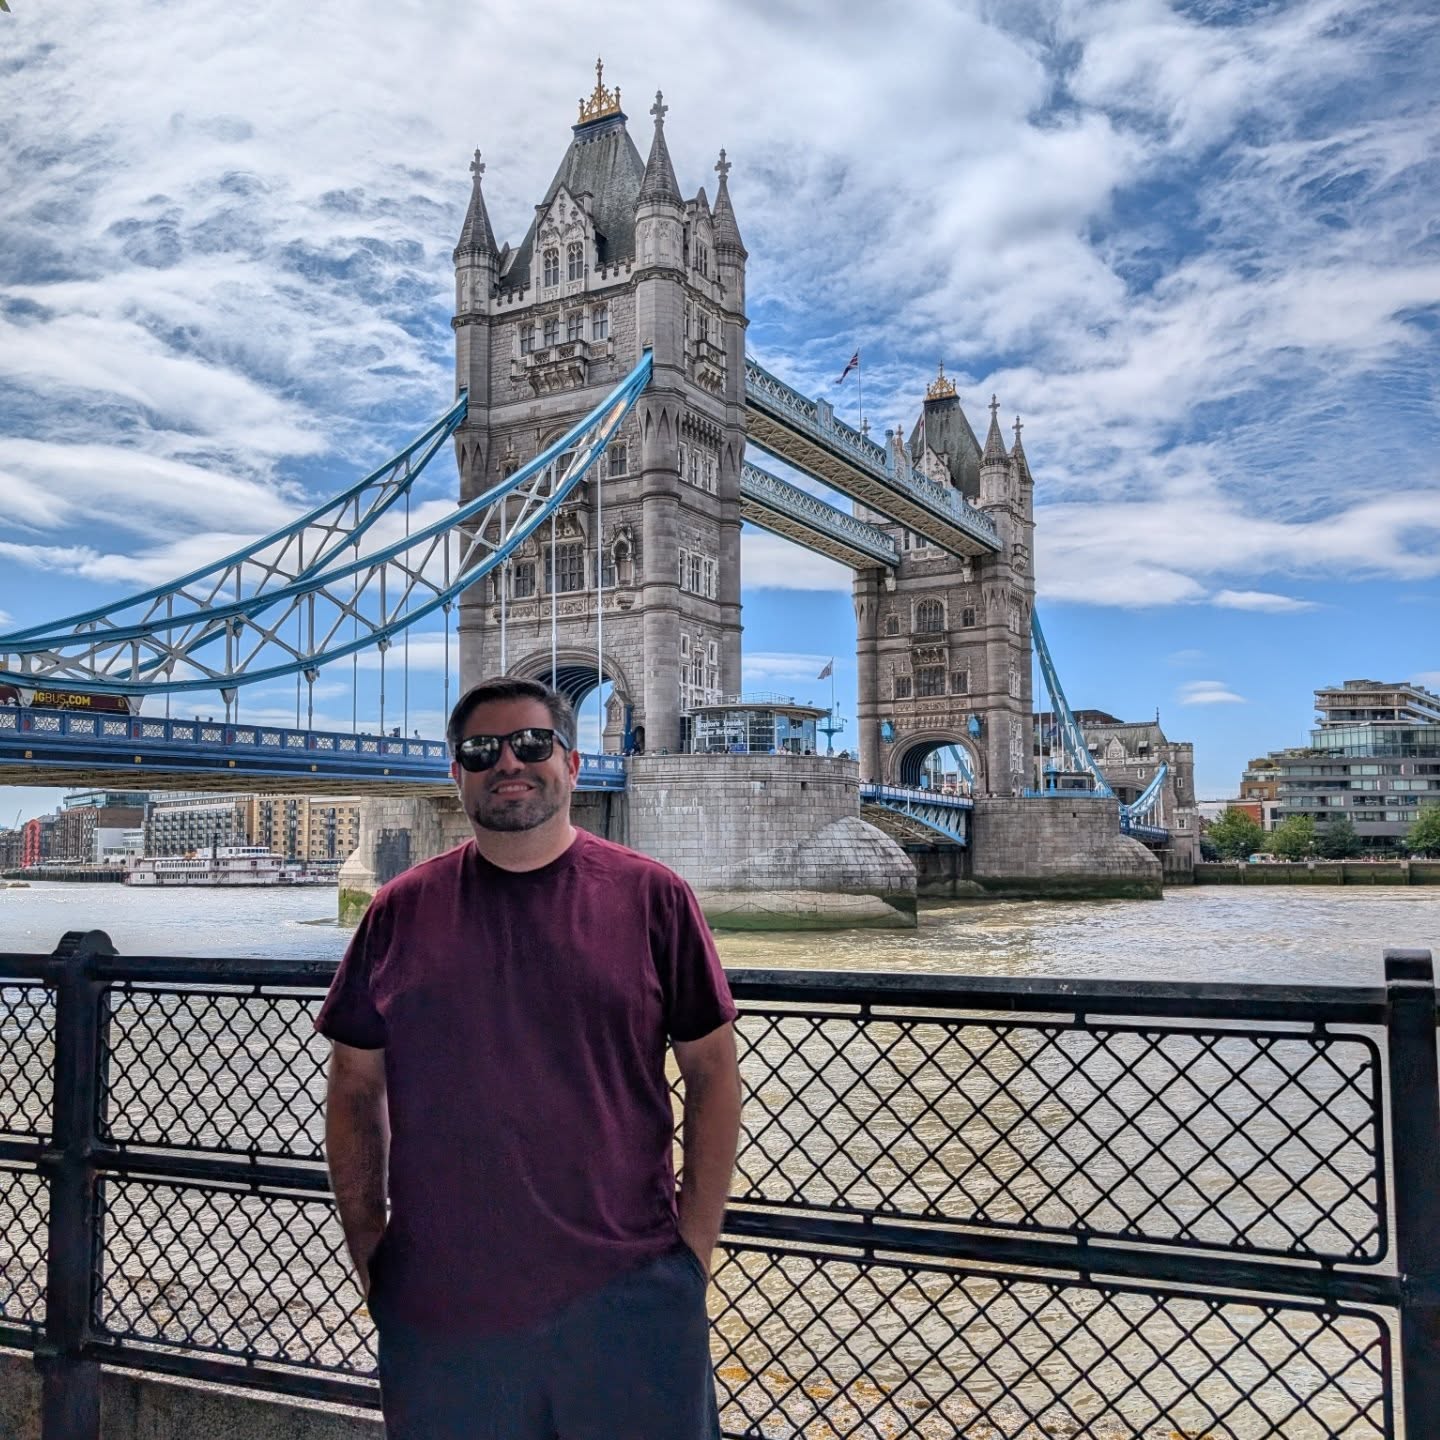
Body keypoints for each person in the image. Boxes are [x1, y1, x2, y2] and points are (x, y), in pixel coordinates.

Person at [317, 676, 741, 1439]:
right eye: (481, 750)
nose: (508, 761)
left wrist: (693, 1254)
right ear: (456, 775)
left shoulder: (655, 898)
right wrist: (371, 1250)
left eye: (532, 743)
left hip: (631, 1297)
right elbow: (352, 1090)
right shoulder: (397, 910)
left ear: (573, 765)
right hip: (443, 1305)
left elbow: (712, 1075)